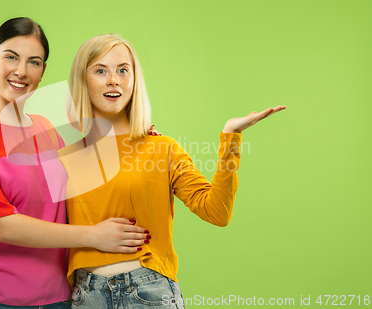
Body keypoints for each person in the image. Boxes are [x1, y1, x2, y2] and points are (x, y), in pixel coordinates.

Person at [60, 34, 286, 308]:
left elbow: (217, 212)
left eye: (123, 70)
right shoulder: (64, 153)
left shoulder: (162, 148)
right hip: (86, 296)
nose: (113, 80)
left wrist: (230, 136)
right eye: (100, 70)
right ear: (83, 80)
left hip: (148, 291)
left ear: (134, 80)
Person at [0, 18, 151, 308]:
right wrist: (94, 236)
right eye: (11, 57)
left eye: (34, 62)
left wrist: (135, 139)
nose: (21, 71)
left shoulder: (47, 126)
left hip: (59, 299)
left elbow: (87, 180)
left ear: (42, 71)